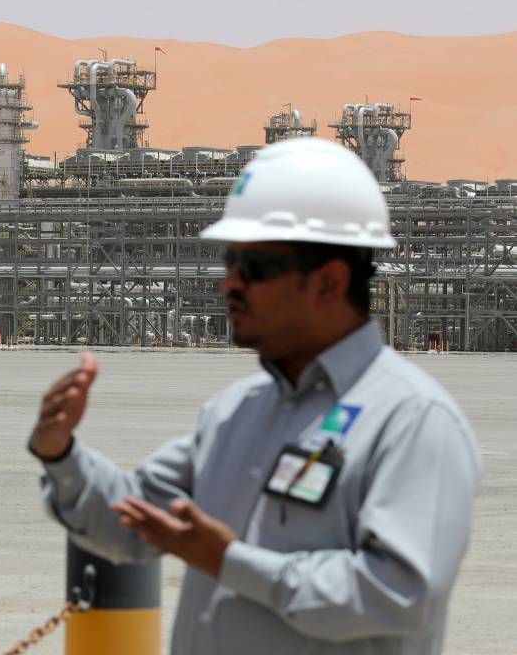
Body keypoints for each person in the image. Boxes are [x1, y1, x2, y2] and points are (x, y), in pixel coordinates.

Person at [29, 138, 481, 654]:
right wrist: (61, 453)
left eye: (258, 267)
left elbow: (400, 594)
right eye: (231, 260)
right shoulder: (234, 413)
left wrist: (230, 563)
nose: (231, 283)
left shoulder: (412, 421)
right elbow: (131, 522)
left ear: (330, 283)